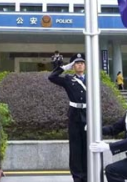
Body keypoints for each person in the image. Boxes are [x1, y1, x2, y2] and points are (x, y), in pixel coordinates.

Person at [48, 53, 87, 182]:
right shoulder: (69, 79)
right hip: (75, 115)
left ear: (85, 65)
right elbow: (52, 77)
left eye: (82, 62)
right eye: (76, 63)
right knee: (75, 147)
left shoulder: (92, 79)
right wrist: (64, 67)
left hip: (88, 115)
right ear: (73, 66)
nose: (79, 64)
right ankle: (77, 177)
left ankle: (87, 175)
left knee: (87, 146)